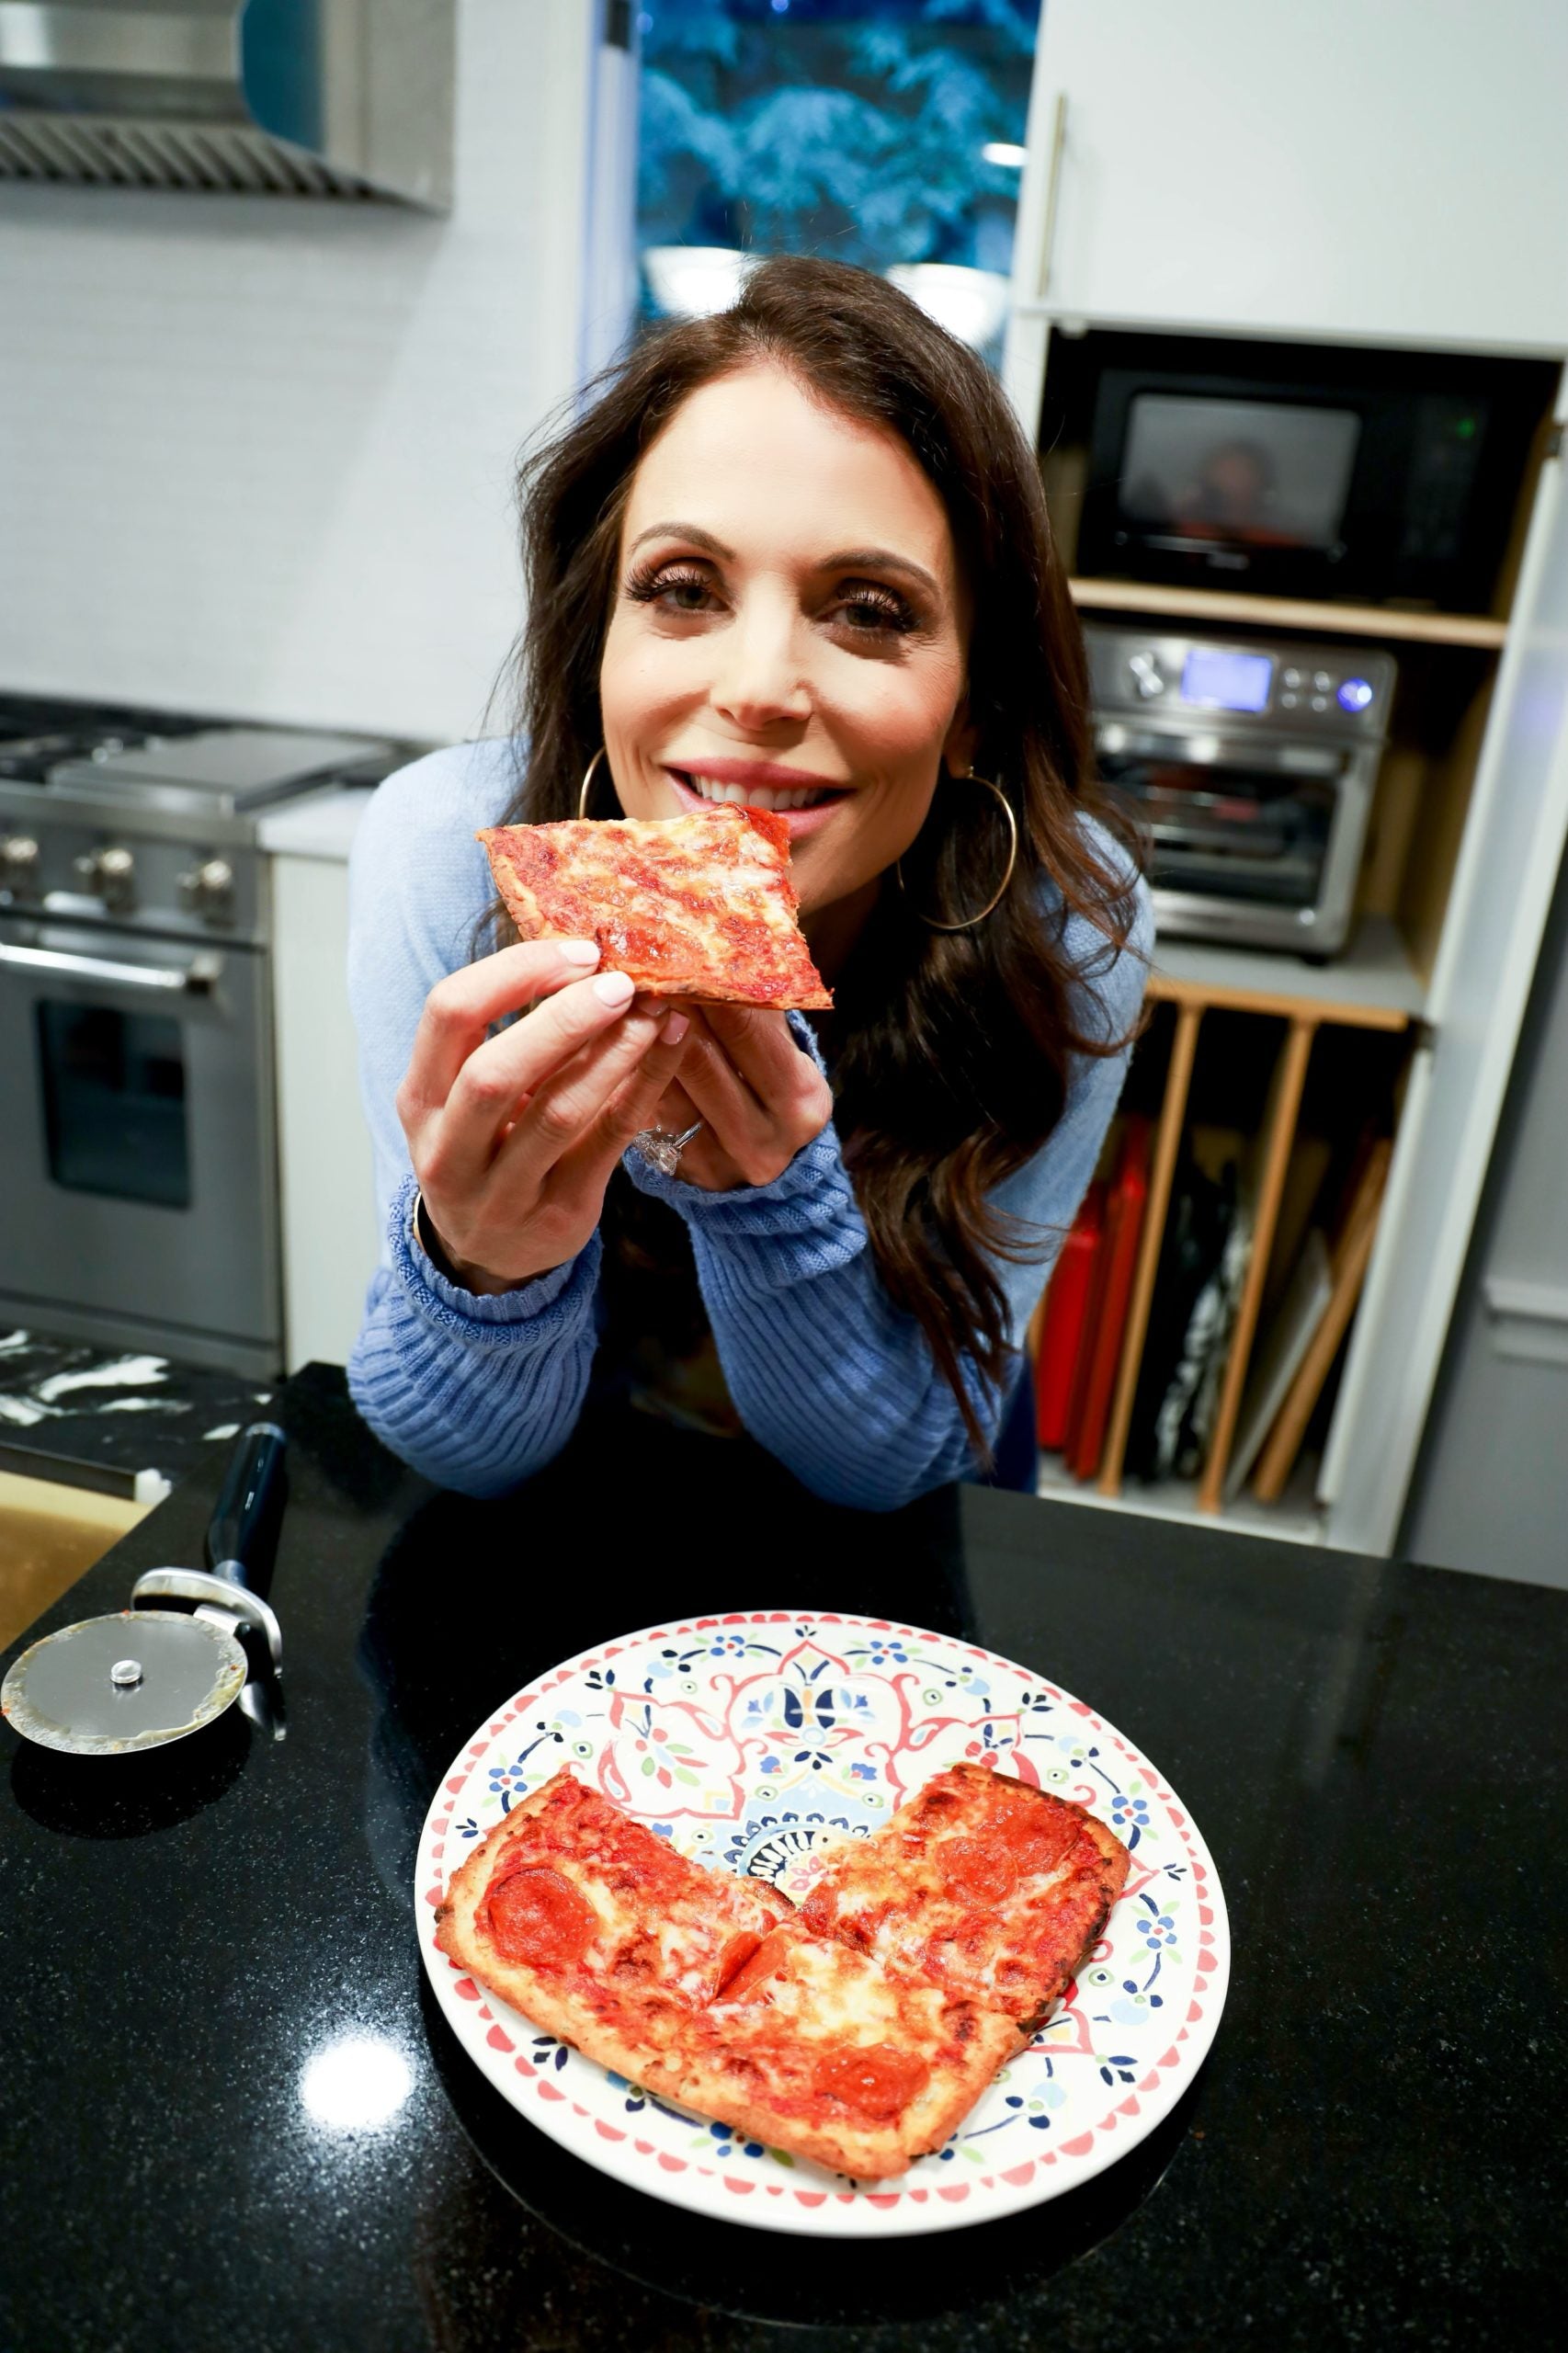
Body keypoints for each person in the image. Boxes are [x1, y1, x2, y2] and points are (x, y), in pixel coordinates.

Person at [346, 256, 1151, 1512]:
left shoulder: (1062, 914)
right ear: (592, 642)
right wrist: (482, 1267)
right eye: (681, 589)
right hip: (545, 1538)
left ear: (974, 710)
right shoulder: (447, 859)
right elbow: (457, 1455)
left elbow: (889, 1465)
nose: (758, 687)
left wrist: (775, 1206)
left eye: (870, 610)